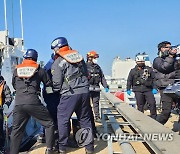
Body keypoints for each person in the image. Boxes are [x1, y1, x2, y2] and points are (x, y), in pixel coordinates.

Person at [51, 37, 94, 154]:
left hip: (69, 93)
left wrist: (55, 90)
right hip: (85, 92)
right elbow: (86, 73)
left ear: (57, 48)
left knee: (63, 119)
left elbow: (56, 82)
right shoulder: (78, 57)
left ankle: (62, 148)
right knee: (85, 119)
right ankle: (89, 147)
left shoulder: (58, 61)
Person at [10, 49, 55, 154]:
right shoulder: (39, 69)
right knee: (49, 123)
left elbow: (14, 85)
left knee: (16, 130)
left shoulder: (17, 70)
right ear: (35, 58)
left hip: (19, 102)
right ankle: (49, 150)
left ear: (25, 57)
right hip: (33, 101)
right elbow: (48, 84)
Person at [126, 53, 157, 119]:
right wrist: (128, 89)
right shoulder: (133, 71)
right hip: (137, 90)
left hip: (148, 89)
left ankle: (154, 117)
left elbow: (154, 79)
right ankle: (141, 118)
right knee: (140, 105)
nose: (141, 63)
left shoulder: (149, 69)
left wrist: (155, 88)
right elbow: (129, 80)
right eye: (139, 61)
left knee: (152, 103)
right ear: (136, 62)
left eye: (142, 61)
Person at [153, 41, 177, 125]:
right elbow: (165, 68)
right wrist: (170, 56)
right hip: (165, 88)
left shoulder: (174, 59)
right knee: (166, 111)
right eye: (168, 47)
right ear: (162, 49)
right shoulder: (157, 60)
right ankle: (156, 127)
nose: (171, 49)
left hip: (176, 86)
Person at [86, 51, 109, 122]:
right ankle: (88, 117)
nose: (96, 59)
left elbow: (102, 77)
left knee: (96, 103)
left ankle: (97, 116)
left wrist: (105, 86)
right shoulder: (85, 66)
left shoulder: (98, 67)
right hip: (87, 88)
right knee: (86, 104)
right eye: (94, 58)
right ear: (90, 58)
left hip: (96, 88)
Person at [0, 76, 13, 153]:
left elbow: (8, 97)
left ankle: (1, 147)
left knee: (0, 131)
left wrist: (6, 104)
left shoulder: (3, 85)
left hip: (0, 110)